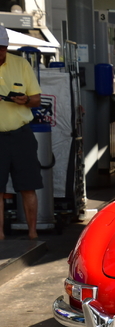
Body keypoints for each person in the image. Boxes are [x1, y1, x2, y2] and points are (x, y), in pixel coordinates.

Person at [0, 25, 43, 240]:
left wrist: (25, 100)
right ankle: (0, 236)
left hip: (20, 134)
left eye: (1, 48)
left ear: (7, 47)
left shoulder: (21, 64)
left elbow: (37, 99)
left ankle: (33, 233)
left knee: (28, 186)